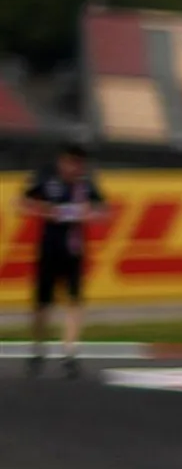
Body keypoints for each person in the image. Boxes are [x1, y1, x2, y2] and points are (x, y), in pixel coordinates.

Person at [22, 143, 105, 376]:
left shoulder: (86, 185)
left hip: (74, 252)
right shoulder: (46, 178)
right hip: (49, 249)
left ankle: (70, 353)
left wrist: (90, 213)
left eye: (79, 164)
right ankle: (38, 349)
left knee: (75, 301)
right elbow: (24, 202)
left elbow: (103, 210)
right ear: (62, 161)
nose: (74, 168)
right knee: (42, 304)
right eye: (71, 162)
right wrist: (46, 210)